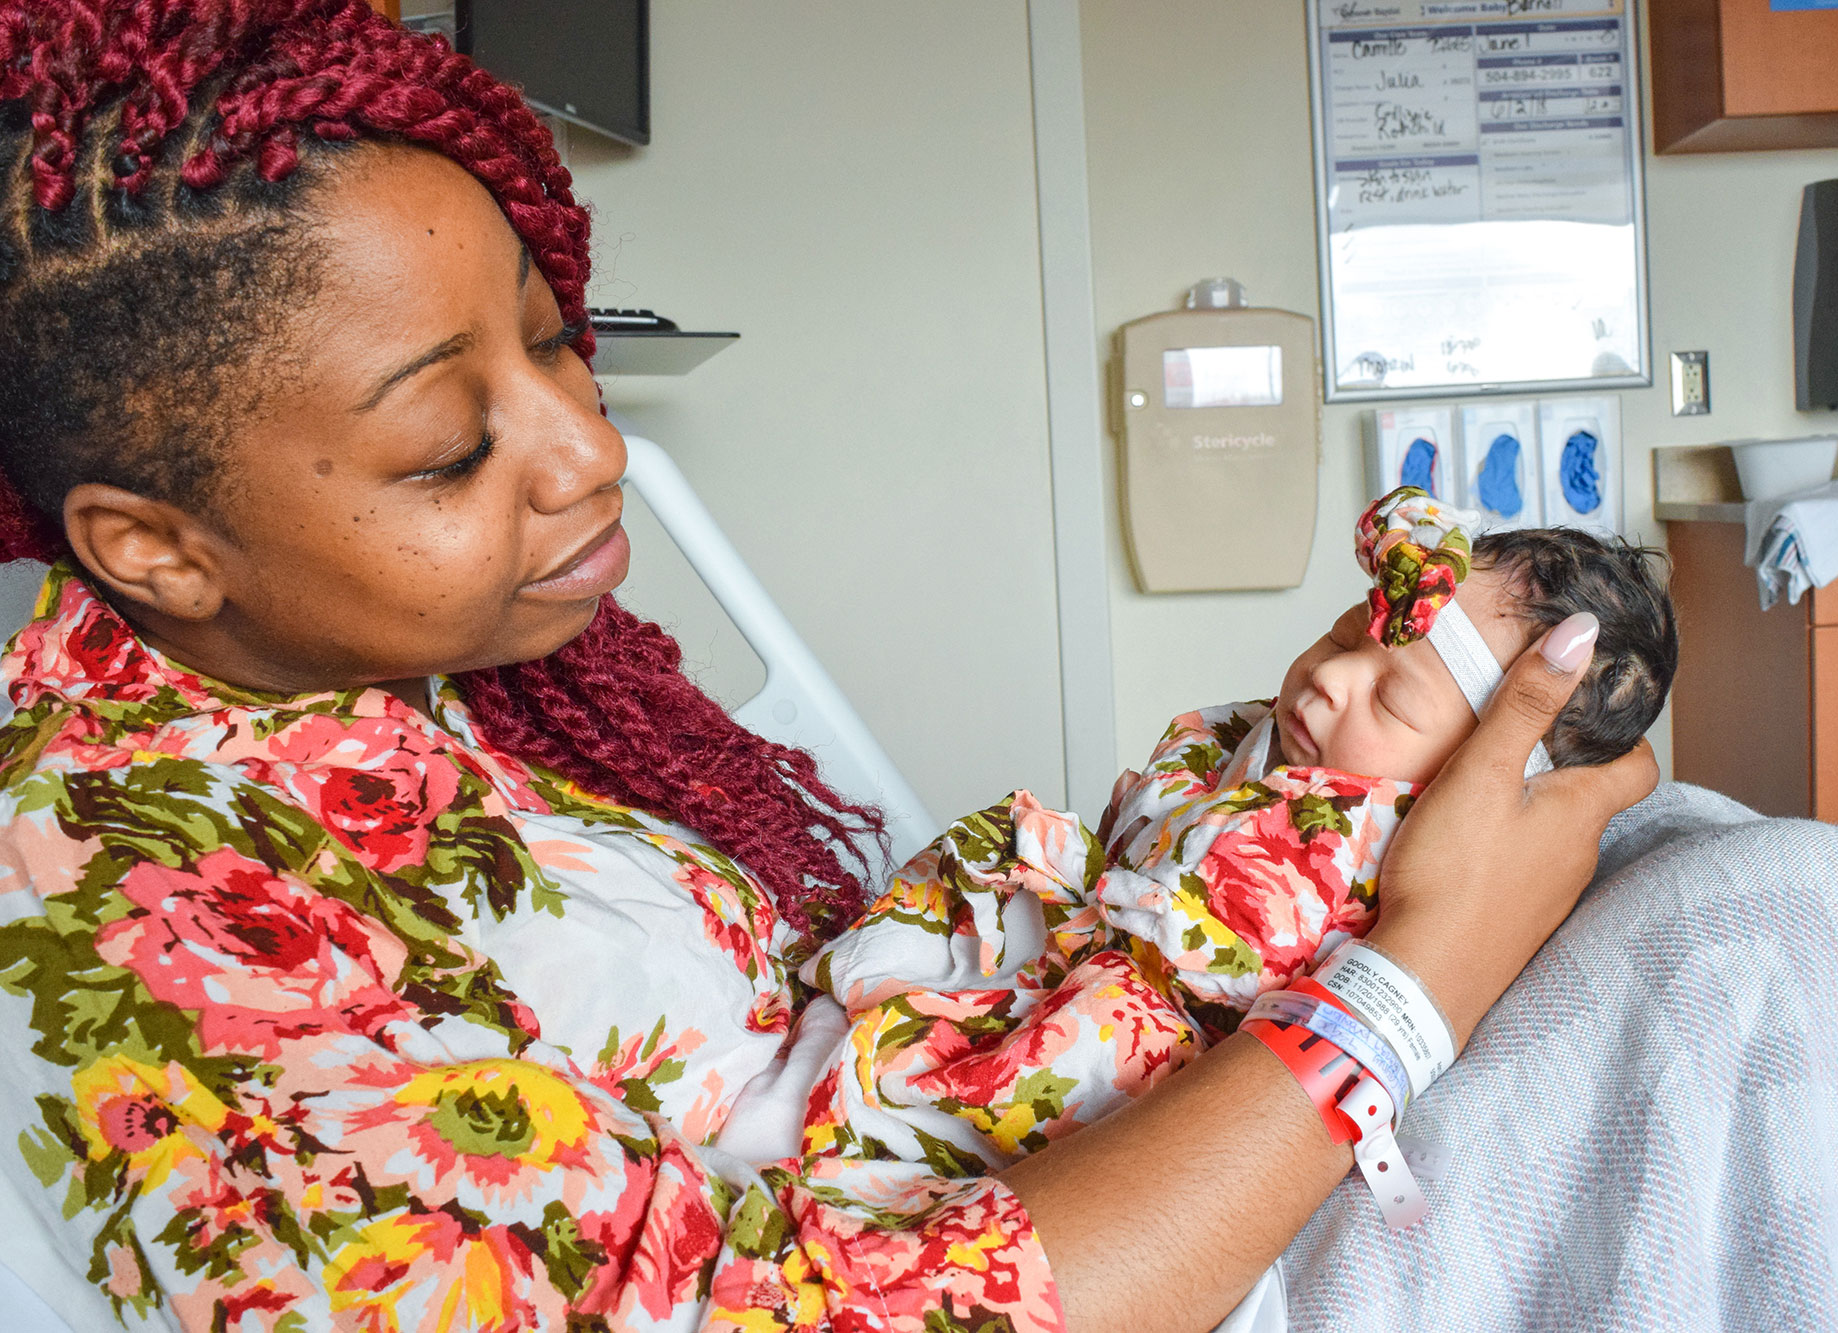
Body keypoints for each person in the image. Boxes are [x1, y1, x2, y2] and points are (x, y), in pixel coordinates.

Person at [0, 5, 1654, 1333]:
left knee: (1699, 899)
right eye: (447, 446)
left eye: (555, 331)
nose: (592, 448)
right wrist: (1415, 976)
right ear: (154, 546)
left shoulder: (355, 673)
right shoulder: (140, 942)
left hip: (975, 1121)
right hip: (1039, 1249)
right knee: (1758, 951)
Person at [795, 490, 1677, 1172]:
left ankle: (900, 1100)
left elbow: (1240, 939)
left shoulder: (1364, 836)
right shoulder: (1308, 738)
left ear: (1478, 774)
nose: (1330, 679)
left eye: (1394, 696)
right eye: (1340, 638)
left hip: (1171, 1025)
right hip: (1107, 926)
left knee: (1001, 1076)